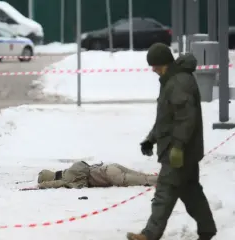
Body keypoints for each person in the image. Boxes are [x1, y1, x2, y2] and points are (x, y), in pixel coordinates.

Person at [126, 43, 217, 240]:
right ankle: (207, 229)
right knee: (191, 191)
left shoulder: (179, 82)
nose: (153, 69)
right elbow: (166, 119)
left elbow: (186, 119)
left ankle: (150, 235)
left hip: (180, 151)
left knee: (164, 192)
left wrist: (177, 146)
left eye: (155, 65)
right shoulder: (171, 80)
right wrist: (151, 139)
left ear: (163, 62)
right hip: (182, 149)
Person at [37, 161, 157, 189]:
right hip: (110, 167)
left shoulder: (68, 176)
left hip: (108, 175)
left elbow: (58, 183)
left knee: (144, 181)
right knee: (142, 176)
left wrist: (42, 186)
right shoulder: (71, 170)